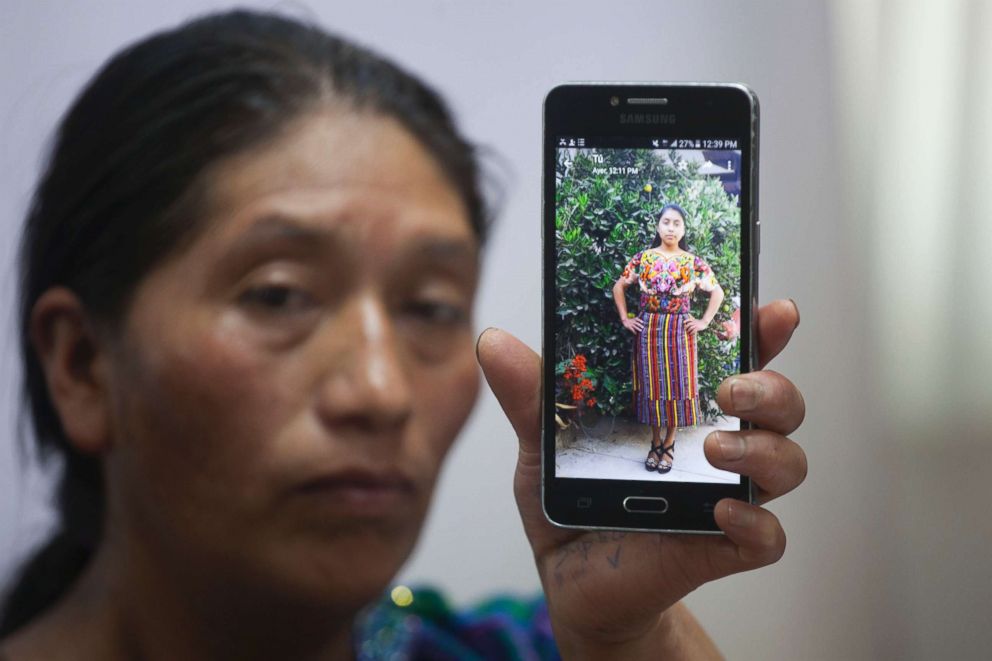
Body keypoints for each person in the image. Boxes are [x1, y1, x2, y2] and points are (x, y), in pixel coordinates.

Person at [0, 9, 806, 660]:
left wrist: (631, 638)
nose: (382, 392)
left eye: (428, 306)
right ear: (82, 366)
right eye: (278, 295)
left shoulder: (543, 646)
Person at [612, 204, 725, 474]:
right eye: (666, 222)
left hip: (680, 331)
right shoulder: (644, 258)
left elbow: (717, 292)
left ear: (683, 228)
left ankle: (669, 444)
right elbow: (619, 286)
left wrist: (704, 321)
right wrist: (626, 318)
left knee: (676, 385)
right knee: (652, 386)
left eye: (676, 223)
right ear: (658, 226)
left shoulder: (692, 262)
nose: (671, 228)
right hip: (648, 328)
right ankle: (654, 442)